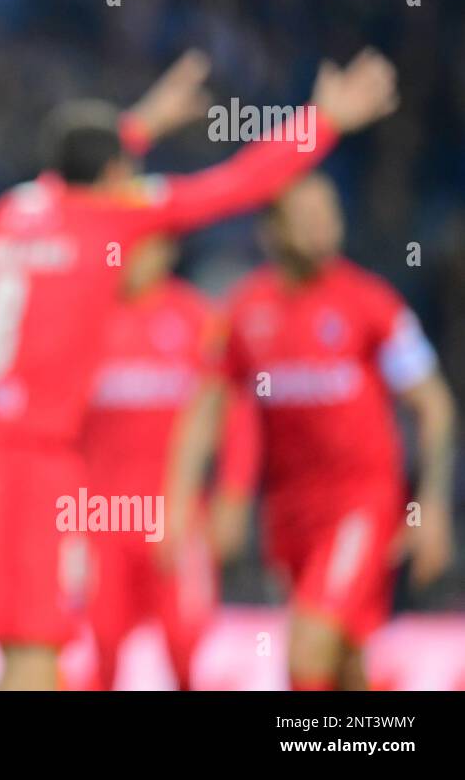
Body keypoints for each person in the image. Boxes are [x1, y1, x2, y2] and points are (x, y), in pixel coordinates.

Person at [0, 48, 399, 689]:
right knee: (36, 651)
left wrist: (143, 124)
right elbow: (237, 184)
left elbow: (80, 171)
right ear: (118, 172)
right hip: (36, 459)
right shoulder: (114, 213)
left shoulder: (9, 211)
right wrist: (322, 121)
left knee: (25, 650)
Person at [167, 173, 456, 690]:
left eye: (329, 214)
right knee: (344, 661)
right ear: (271, 232)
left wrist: (431, 506)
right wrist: (181, 503)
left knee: (309, 641)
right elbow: (206, 409)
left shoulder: (371, 303)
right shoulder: (244, 310)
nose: (323, 227)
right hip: (289, 512)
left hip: (362, 504)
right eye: (307, 217)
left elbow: (433, 404)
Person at [80, 236, 256, 690]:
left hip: (177, 518)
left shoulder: (198, 320)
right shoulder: (86, 320)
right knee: (101, 644)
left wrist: (233, 496)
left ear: (167, 250)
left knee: (185, 646)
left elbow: (235, 415)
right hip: (99, 520)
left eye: (144, 245)